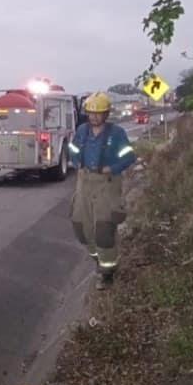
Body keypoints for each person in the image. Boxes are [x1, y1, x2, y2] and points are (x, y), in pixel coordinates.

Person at [68, 91, 136, 290]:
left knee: (104, 230)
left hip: (107, 183)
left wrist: (111, 168)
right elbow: (73, 150)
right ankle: (98, 260)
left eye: (98, 113)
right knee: (81, 227)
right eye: (90, 113)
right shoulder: (82, 131)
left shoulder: (116, 133)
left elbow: (129, 156)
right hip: (84, 182)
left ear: (106, 114)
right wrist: (76, 163)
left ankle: (107, 273)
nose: (94, 117)